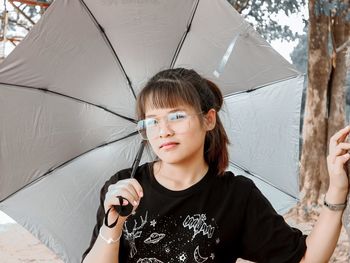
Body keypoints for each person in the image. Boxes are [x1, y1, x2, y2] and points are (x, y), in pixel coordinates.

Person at [82, 68, 349, 263]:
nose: (163, 130)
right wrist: (112, 226)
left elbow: (306, 259)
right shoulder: (124, 189)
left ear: (208, 120)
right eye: (152, 120)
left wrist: (337, 188)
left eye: (176, 116)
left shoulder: (235, 196)